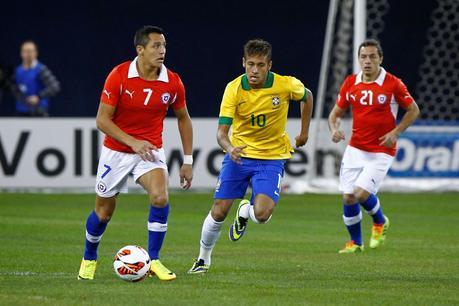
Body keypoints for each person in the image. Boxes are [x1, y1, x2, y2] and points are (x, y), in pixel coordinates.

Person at [78, 25, 193, 281]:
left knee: (160, 198)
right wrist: (133, 142)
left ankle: (153, 260)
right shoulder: (119, 76)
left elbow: (184, 119)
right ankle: (89, 257)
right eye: (155, 46)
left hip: (150, 150)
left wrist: (188, 160)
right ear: (140, 50)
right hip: (116, 152)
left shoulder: (172, 82)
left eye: (163, 46)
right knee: (103, 213)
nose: (162, 51)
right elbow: (102, 120)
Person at [188, 39, 313, 274]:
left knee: (263, 215)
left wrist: (304, 131)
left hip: (272, 158)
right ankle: (203, 259)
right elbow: (221, 133)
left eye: (261, 65)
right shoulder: (233, 89)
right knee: (219, 211)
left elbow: (307, 96)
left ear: (269, 65)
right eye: (251, 64)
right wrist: (229, 147)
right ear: (243, 63)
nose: (255, 70)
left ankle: (246, 211)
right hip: (240, 156)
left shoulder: (286, 85)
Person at [328, 39, 420, 253]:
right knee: (348, 196)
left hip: (381, 150)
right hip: (355, 149)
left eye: (372, 56)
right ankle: (355, 243)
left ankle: (380, 222)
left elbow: (413, 110)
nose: (367, 61)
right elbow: (335, 114)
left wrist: (395, 133)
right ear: (358, 59)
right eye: (363, 57)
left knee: (361, 193)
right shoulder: (351, 83)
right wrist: (334, 129)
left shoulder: (393, 84)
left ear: (380, 59)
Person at [14, 40, 60, 116]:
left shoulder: (41, 69)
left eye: (30, 51)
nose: (28, 54)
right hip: (21, 112)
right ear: (21, 53)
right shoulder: (18, 70)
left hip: (39, 112)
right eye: (25, 51)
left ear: (36, 53)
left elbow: (55, 86)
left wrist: (38, 97)